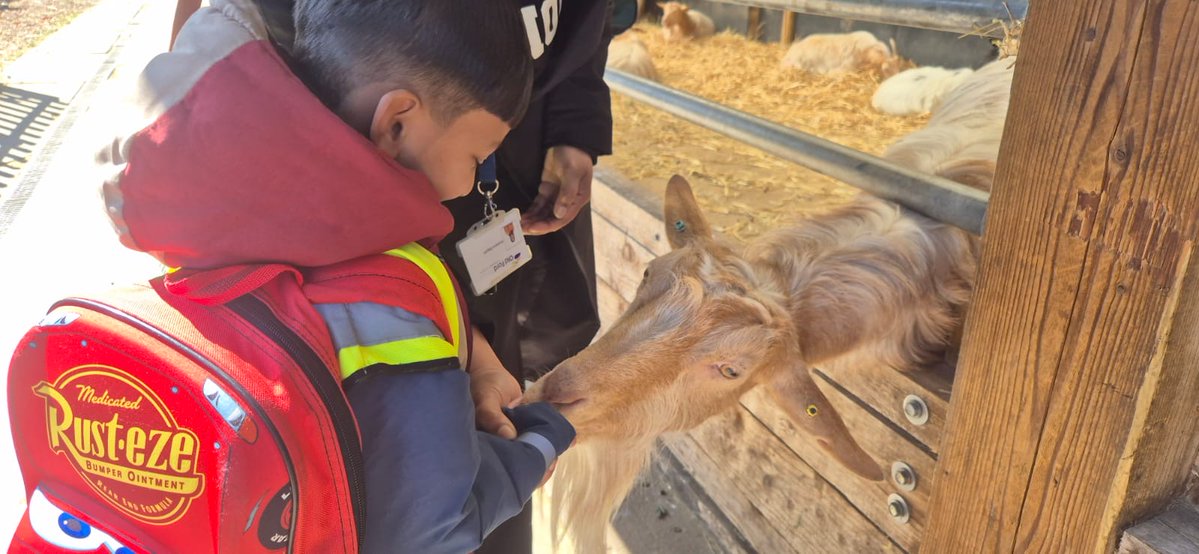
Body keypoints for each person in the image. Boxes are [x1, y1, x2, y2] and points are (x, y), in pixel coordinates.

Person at [107, 0, 574, 551]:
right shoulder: (394, 299)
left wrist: (474, 359)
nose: (473, 186)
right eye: (477, 156)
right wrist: (536, 449)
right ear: (396, 121)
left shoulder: (204, 206)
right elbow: (428, 532)